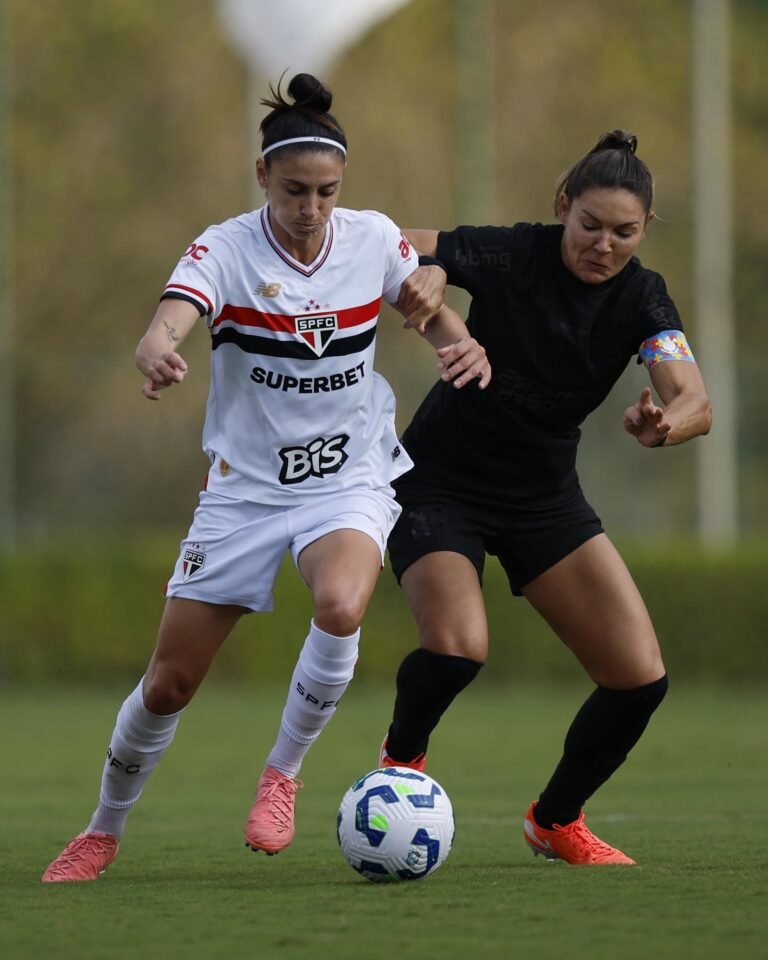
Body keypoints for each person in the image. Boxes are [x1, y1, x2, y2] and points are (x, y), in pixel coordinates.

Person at [41, 72, 490, 883]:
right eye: (294, 192)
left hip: (346, 478)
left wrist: (459, 343)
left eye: (326, 191)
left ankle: (282, 774)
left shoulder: (372, 238)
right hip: (244, 491)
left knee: (342, 602)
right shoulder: (225, 249)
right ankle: (102, 829)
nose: (311, 208)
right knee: (169, 684)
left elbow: (428, 309)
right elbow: (170, 318)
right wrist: (156, 347)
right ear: (262, 177)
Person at [378, 130, 712, 865]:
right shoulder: (512, 253)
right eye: (590, 225)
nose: (603, 245)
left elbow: (695, 399)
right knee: (458, 649)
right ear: (564, 205)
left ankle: (555, 821)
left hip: (543, 500)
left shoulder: (642, 297)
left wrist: (666, 424)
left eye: (624, 232)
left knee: (638, 680)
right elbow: (391, 241)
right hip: (440, 484)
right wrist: (428, 271)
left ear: (645, 229)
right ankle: (399, 762)